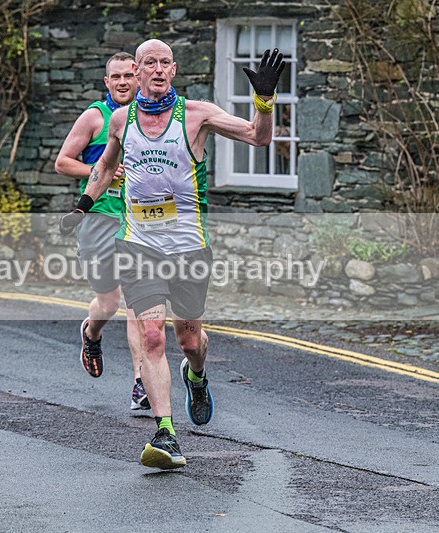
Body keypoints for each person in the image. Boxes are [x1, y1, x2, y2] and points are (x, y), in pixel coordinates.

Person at [59, 40, 284, 469]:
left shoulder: (197, 115)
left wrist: (264, 100)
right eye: (149, 64)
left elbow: (258, 136)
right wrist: (83, 207)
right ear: (136, 72)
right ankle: (166, 433)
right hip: (139, 243)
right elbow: (106, 166)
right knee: (151, 337)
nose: (157, 70)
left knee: (189, 339)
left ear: (173, 70)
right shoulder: (121, 120)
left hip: (188, 247)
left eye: (165, 63)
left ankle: (195, 375)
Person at [55, 52, 150, 411]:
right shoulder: (95, 116)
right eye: (117, 77)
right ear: (106, 82)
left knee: (135, 304)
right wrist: (104, 169)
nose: (124, 81)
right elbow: (62, 162)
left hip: (137, 222)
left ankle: (141, 384)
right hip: (98, 220)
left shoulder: (151, 117)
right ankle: (91, 332)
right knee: (108, 303)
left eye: (129, 75)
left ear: (139, 77)